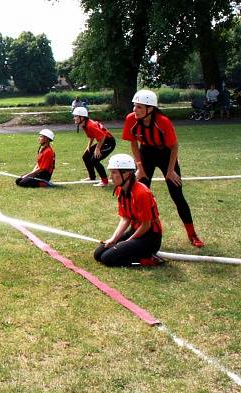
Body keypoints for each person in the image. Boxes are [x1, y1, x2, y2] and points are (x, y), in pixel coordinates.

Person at [122, 89, 205, 247]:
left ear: (150, 108)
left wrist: (170, 170)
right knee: (139, 195)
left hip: (165, 154)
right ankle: (137, 231)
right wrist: (139, 167)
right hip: (146, 153)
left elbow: (174, 146)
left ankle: (192, 234)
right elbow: (133, 143)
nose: (134, 110)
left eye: (139, 107)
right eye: (134, 106)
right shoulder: (131, 119)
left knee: (177, 195)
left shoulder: (162, 121)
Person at [93, 154, 164, 267]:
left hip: (149, 237)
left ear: (126, 173)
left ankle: (148, 259)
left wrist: (127, 242)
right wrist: (113, 239)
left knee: (107, 259)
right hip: (135, 230)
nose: (111, 177)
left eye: (114, 172)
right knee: (98, 254)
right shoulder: (120, 190)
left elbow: (146, 225)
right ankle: (132, 250)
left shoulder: (141, 193)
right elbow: (125, 218)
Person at [72, 107, 116, 186]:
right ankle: (92, 177)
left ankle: (104, 181)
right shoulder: (84, 124)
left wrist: (97, 148)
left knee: (94, 160)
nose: (74, 118)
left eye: (76, 116)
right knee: (85, 156)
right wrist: (88, 146)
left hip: (109, 142)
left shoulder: (90, 125)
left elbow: (102, 137)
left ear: (82, 117)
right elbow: (91, 136)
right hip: (103, 141)